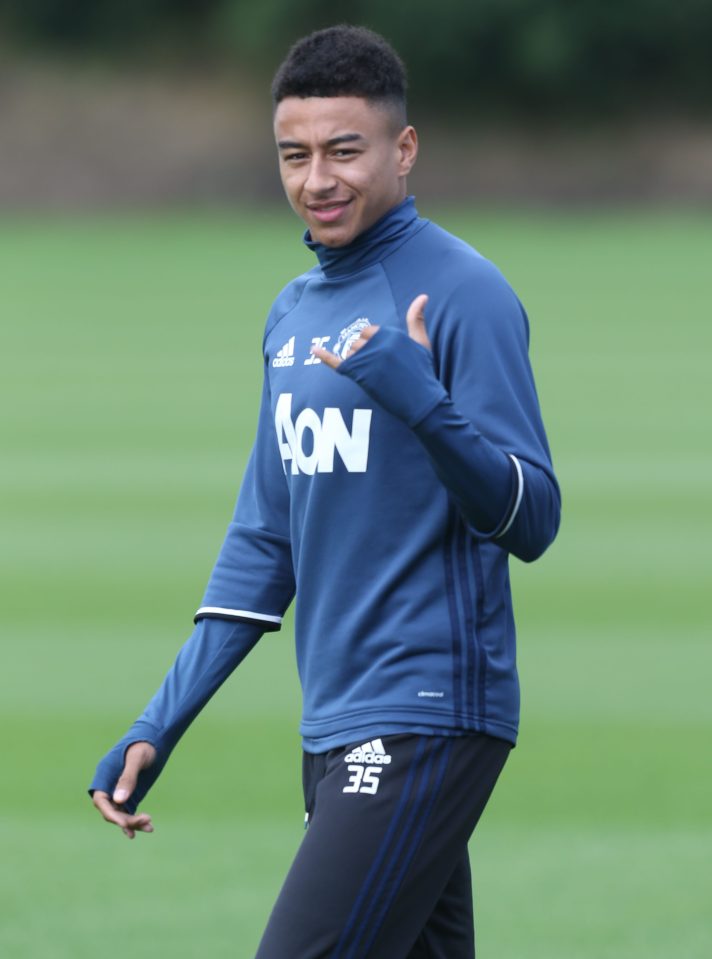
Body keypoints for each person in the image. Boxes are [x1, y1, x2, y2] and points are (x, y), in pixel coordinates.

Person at [90, 24, 560, 958]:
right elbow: (267, 539)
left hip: (428, 708)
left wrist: (423, 404)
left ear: (403, 148)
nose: (318, 179)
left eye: (345, 150)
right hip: (337, 717)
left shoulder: (464, 293)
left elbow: (532, 516)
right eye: (294, 155)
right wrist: (160, 721)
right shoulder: (292, 312)